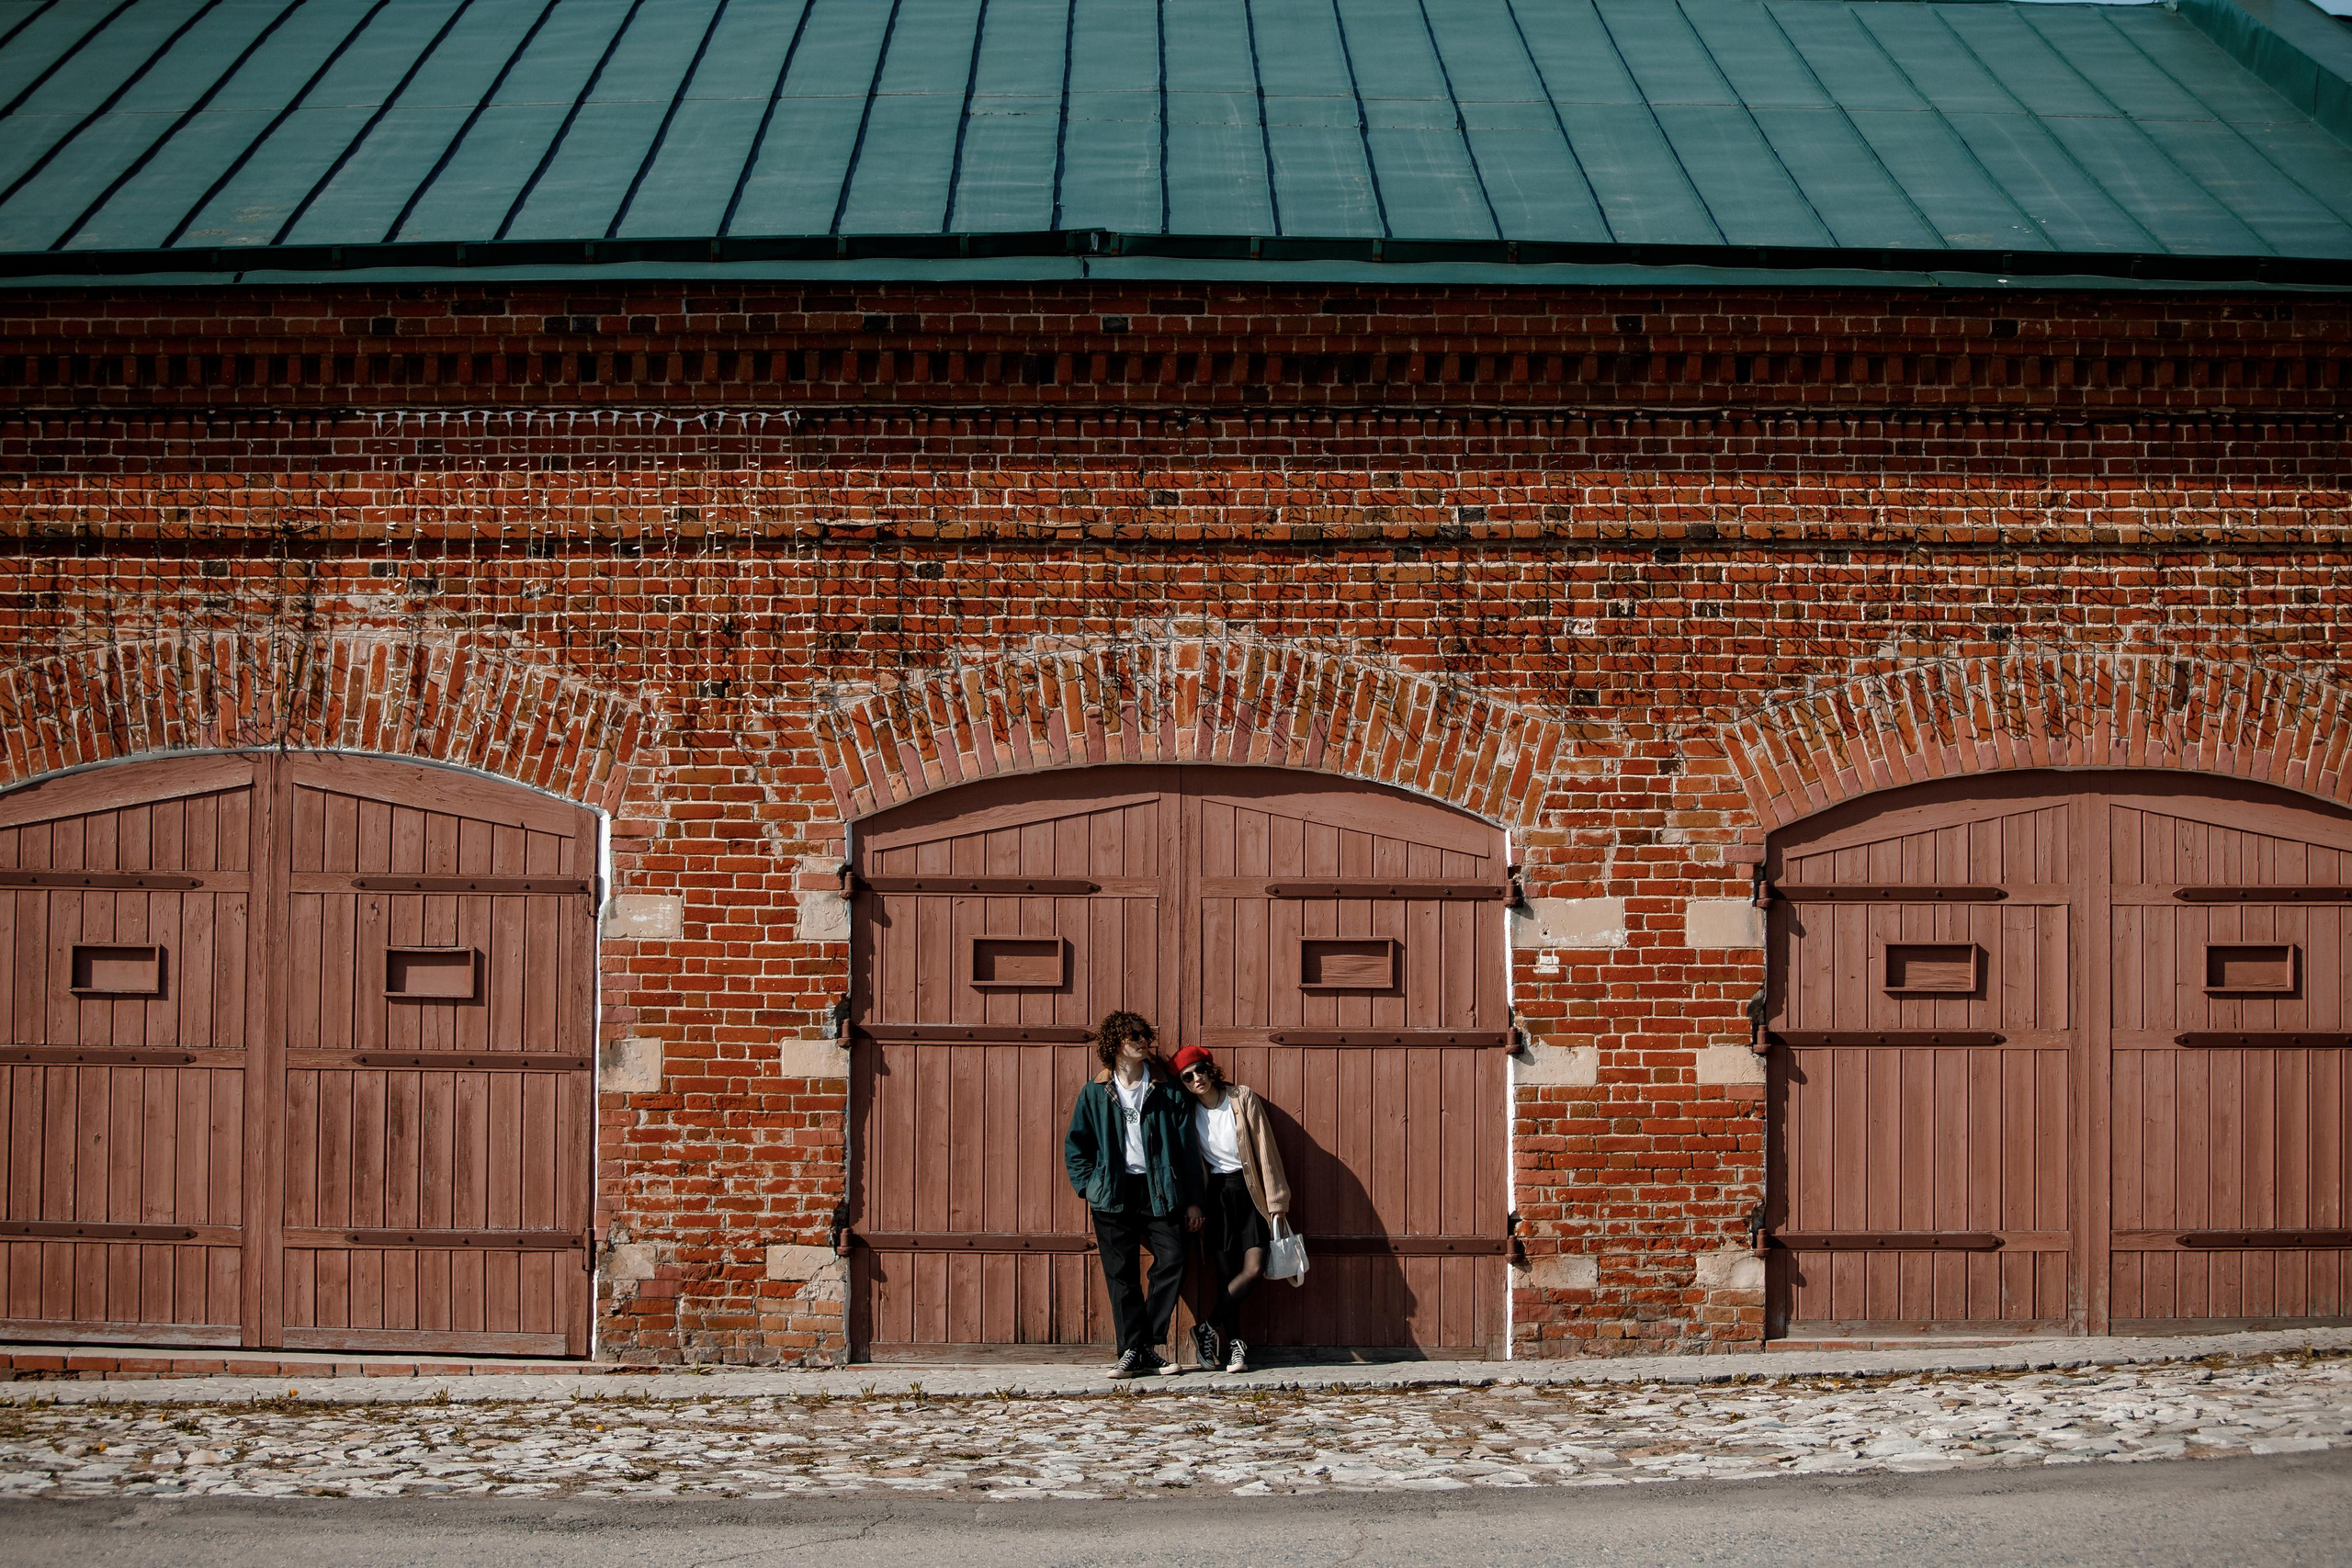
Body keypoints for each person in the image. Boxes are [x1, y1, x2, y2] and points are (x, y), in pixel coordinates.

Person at [1063, 1010, 1204, 1379]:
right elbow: (1076, 1146)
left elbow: (1187, 1149)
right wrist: (1089, 1186)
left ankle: (1140, 1345)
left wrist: (1193, 1199)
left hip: (1160, 1190)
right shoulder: (1095, 1092)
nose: (1144, 1041)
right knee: (1121, 1274)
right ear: (1116, 1043)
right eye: (1135, 1036)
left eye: (1145, 1035)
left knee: (1173, 1259)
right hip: (1113, 1191)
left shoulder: (1166, 1088)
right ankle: (1134, 1351)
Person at [1170, 1043, 1292, 1375]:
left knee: (1254, 1268)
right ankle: (1236, 1346)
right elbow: (1187, 1165)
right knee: (1226, 1276)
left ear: (1210, 1070)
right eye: (1187, 1077)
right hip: (1217, 1197)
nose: (1196, 1079)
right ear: (1183, 1084)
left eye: (1199, 1070)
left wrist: (1277, 1201)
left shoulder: (1241, 1097)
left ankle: (1206, 1327)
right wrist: (1192, 1204)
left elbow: (1266, 1148)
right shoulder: (1187, 1115)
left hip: (1250, 1192)